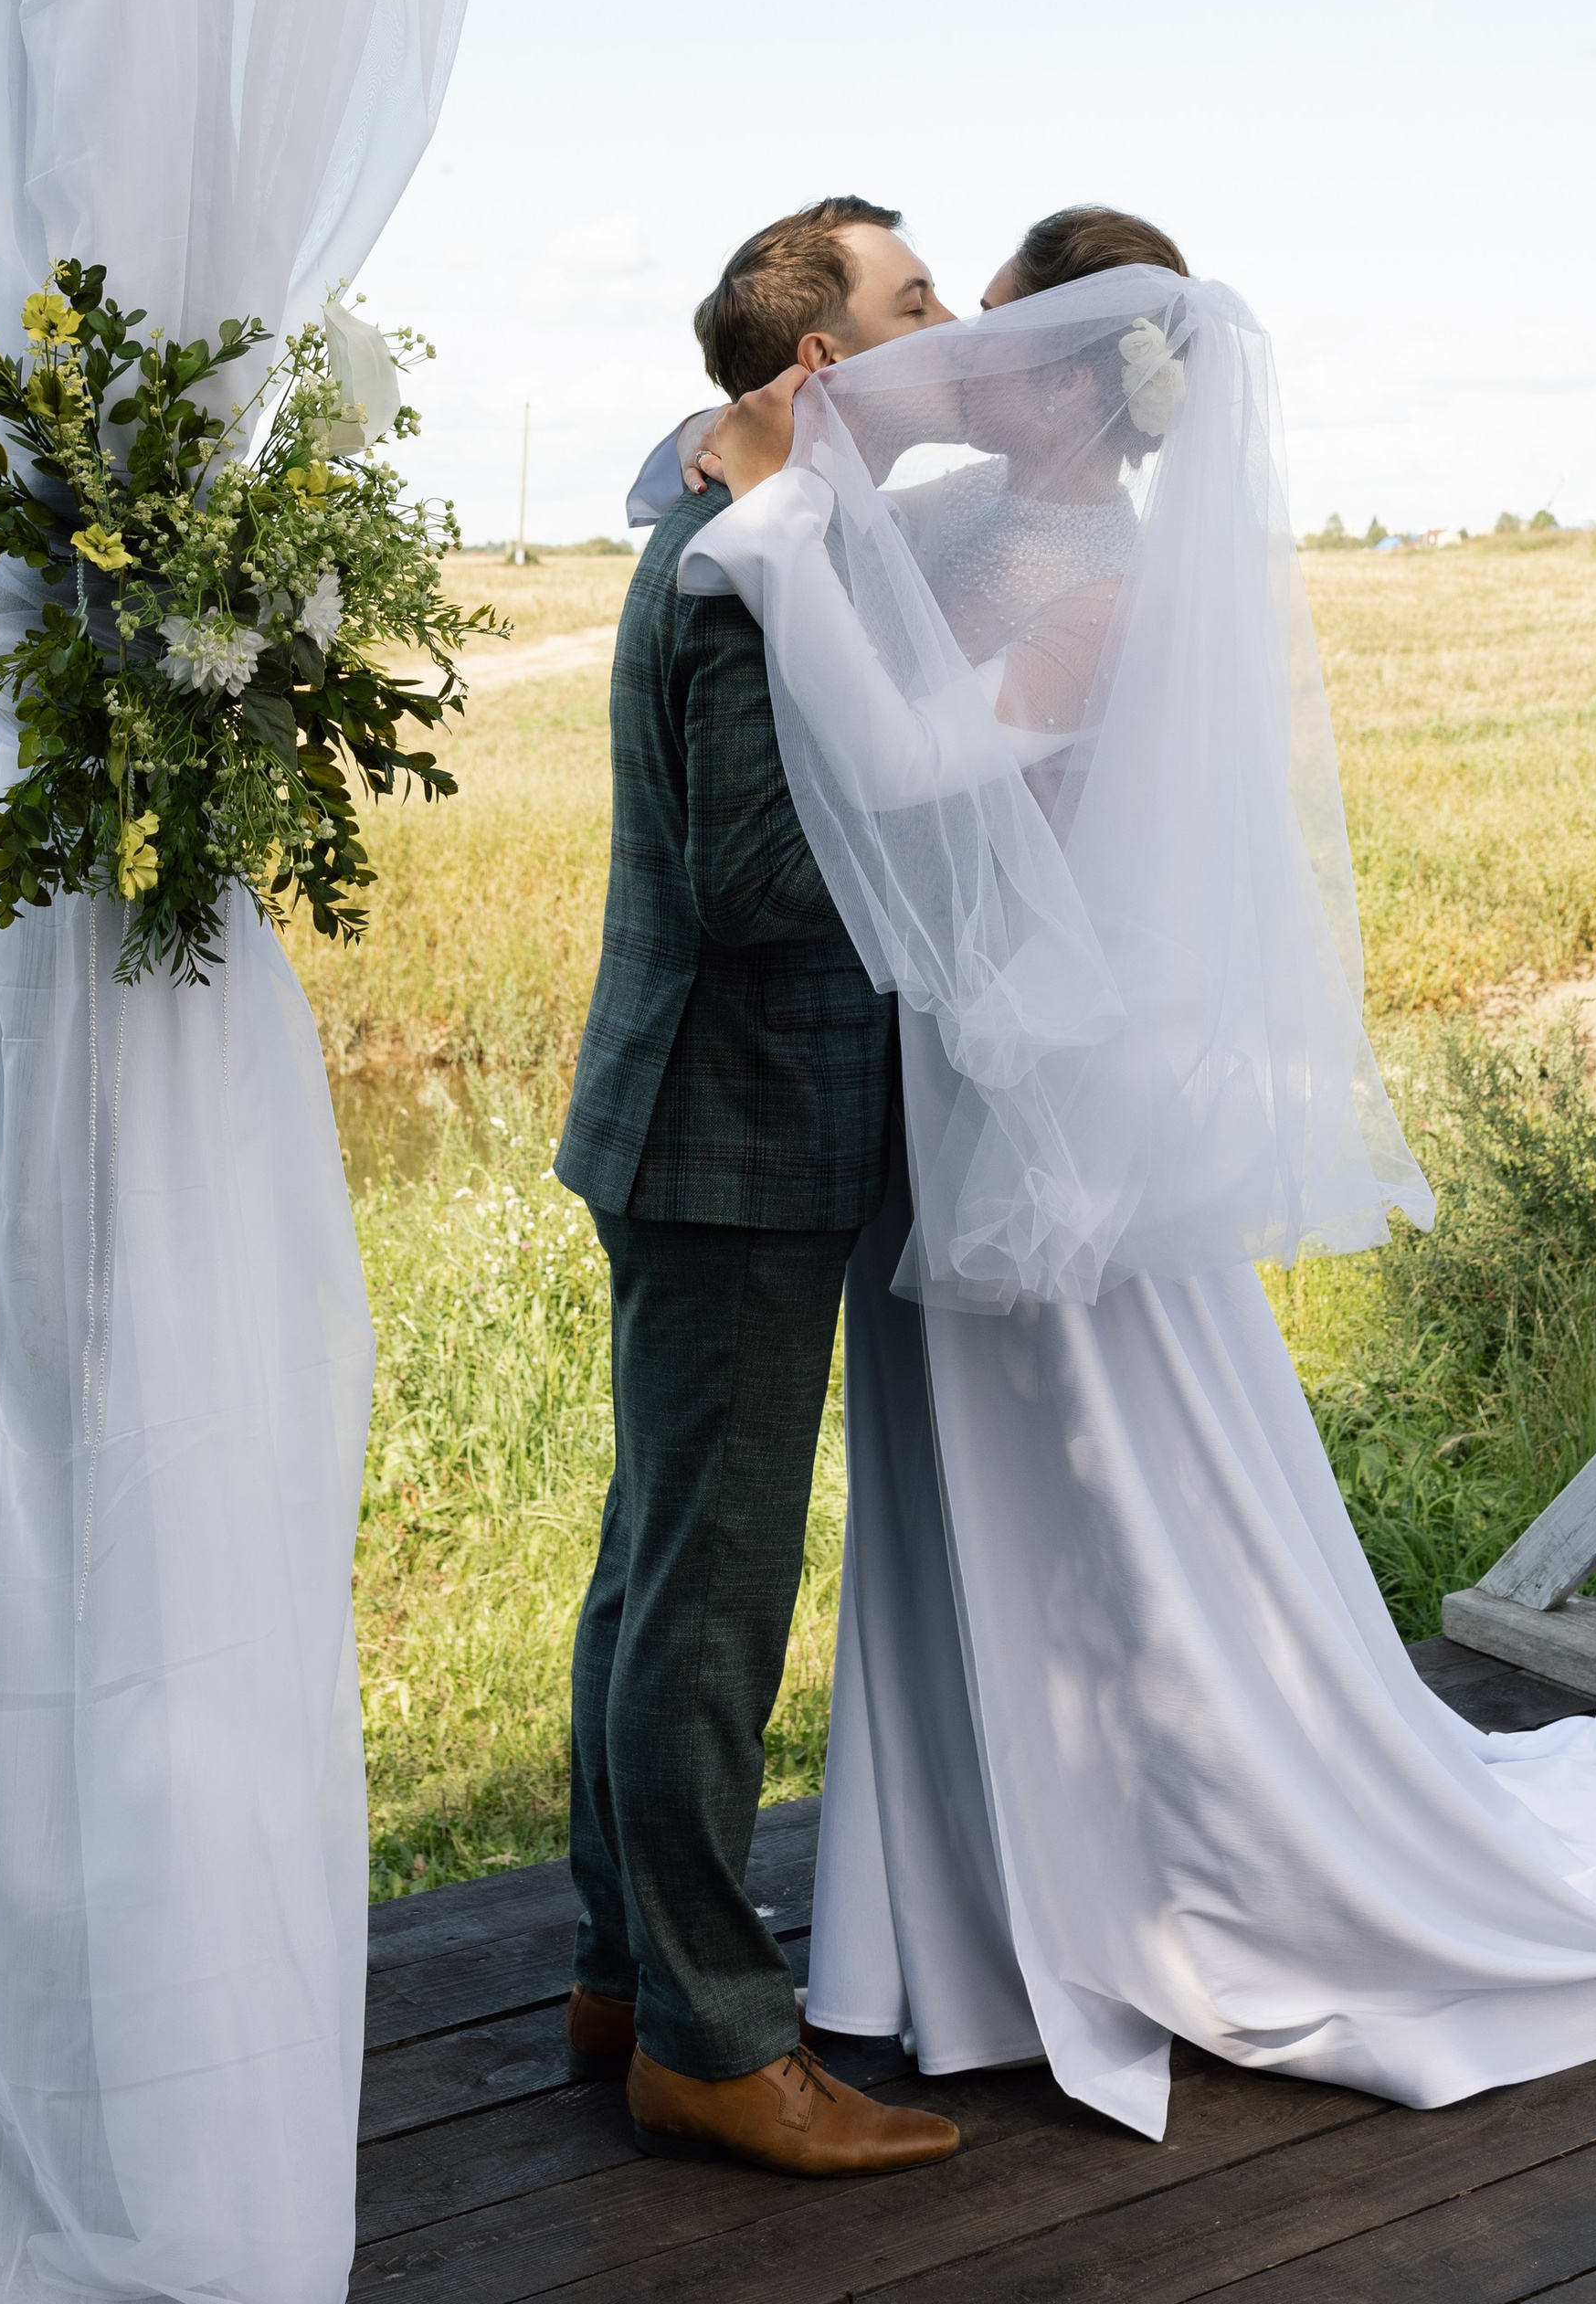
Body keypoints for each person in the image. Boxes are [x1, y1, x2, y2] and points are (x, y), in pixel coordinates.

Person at [682, 207, 1596, 2140]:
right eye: (950, 319)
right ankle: (970, 1909)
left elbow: (910, 765)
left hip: (1044, 1109)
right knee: (967, 1488)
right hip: (956, 1097)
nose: (957, 357)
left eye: (991, 328)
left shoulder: (1092, 578)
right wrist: (756, 481)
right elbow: (804, 537)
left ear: (1072, 376)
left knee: (1106, 1480)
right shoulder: (977, 525)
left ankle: (1163, 1871)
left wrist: (765, 530)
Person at [553, 196, 960, 2177]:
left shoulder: (762, 520)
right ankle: (716, 2044)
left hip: (704, 1123)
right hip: (734, 1131)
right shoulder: (738, 571)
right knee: (707, 1598)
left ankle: (627, 1970)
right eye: (913, 299)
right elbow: (751, 881)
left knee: (652, 1560)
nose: (948, 320)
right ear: (823, 364)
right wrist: (940, 840)